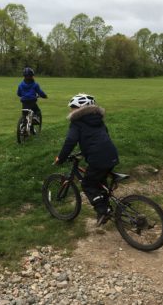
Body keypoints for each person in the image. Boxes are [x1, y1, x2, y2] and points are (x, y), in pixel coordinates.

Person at [55, 93, 119, 226]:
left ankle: (102, 211)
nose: (71, 110)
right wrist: (86, 151)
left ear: (80, 108)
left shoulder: (77, 123)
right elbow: (101, 137)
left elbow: (70, 141)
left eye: (73, 107)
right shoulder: (98, 119)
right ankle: (106, 208)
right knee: (100, 182)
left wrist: (61, 158)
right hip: (111, 155)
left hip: (98, 159)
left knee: (87, 184)